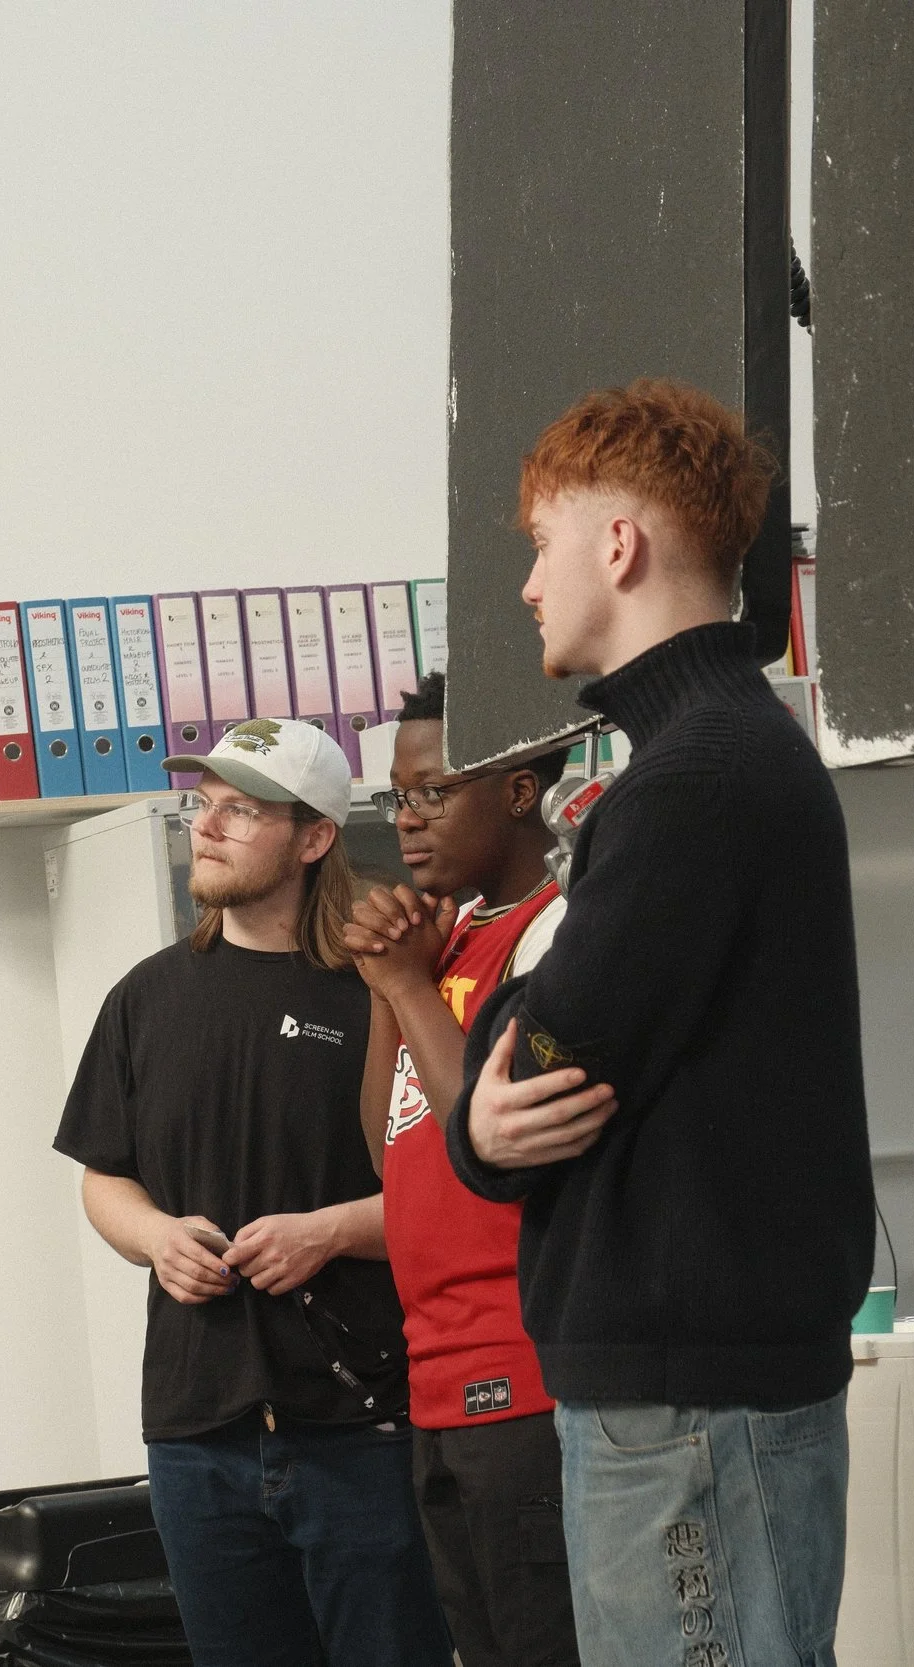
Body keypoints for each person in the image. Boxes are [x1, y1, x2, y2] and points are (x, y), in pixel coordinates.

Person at [442, 379, 873, 1667]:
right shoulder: (708, 756)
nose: (527, 585)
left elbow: (549, 1052)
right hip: (691, 1389)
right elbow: (510, 1093)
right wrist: (482, 1116)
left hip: (691, 1399)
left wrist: (486, 1095)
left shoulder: (695, 779)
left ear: (617, 545)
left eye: (540, 543)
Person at [53, 718, 450, 1667]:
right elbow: (103, 1177)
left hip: (361, 1428)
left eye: (242, 809)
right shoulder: (143, 999)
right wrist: (153, 1235)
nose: (209, 825)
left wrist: (331, 1231)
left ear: (314, 837)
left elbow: (456, 1193)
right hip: (198, 1436)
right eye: (205, 803)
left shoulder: (379, 991)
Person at [348, 671, 577, 1667]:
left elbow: (487, 1139)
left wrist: (404, 979)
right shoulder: (455, 937)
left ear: (517, 790)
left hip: (525, 1379)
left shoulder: (558, 928)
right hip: (437, 1377)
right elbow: (391, 1153)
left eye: (433, 790)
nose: (407, 821)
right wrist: (384, 986)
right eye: (397, 796)